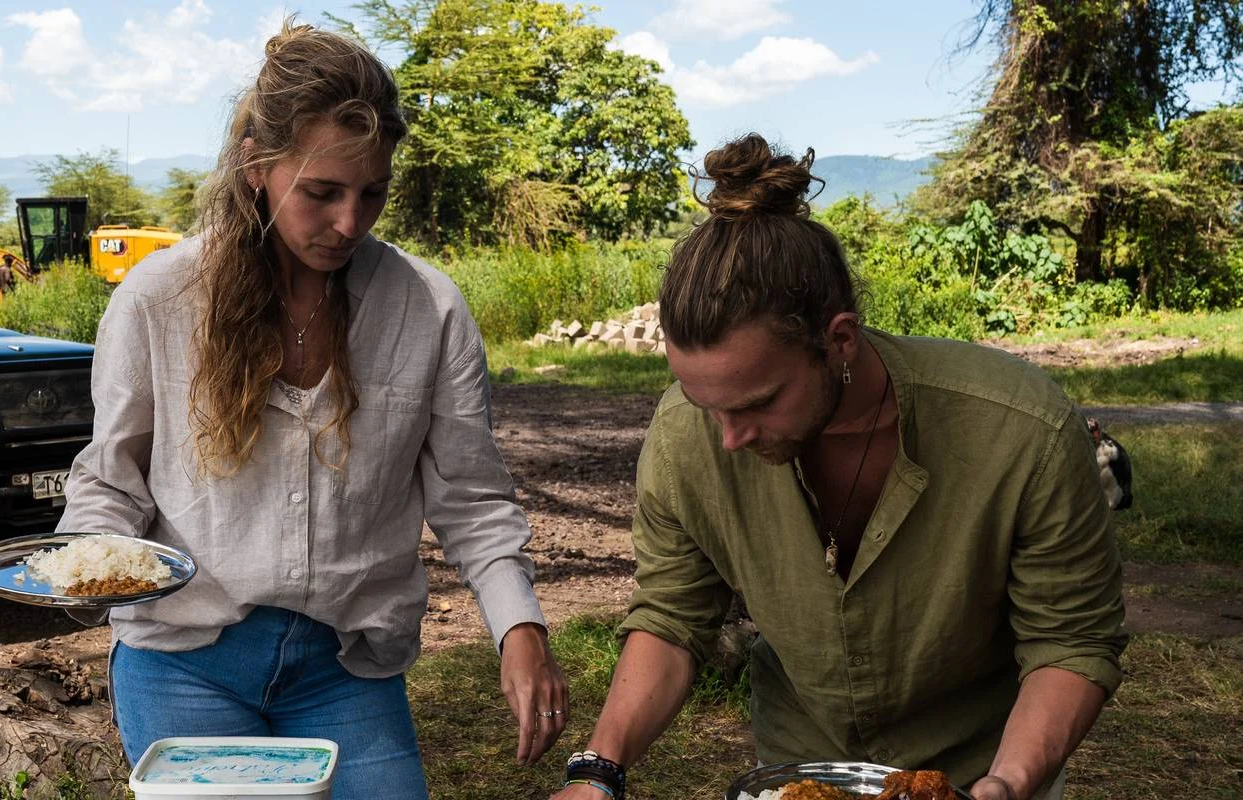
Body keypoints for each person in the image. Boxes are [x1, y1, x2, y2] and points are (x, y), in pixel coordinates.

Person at [56, 22, 567, 797]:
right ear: (257, 166)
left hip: (345, 672)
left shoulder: (428, 310)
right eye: (323, 193)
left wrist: (519, 627)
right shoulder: (160, 300)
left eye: (373, 194)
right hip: (184, 664)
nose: (350, 224)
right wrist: (86, 566)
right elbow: (112, 479)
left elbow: (472, 499)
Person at [550, 134, 1126, 800]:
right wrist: (598, 772)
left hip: (985, 764)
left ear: (840, 340)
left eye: (759, 402)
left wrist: (1008, 782)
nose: (729, 438)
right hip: (798, 768)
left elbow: (1071, 640)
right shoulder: (685, 438)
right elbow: (671, 616)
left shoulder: (1022, 428)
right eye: (706, 404)